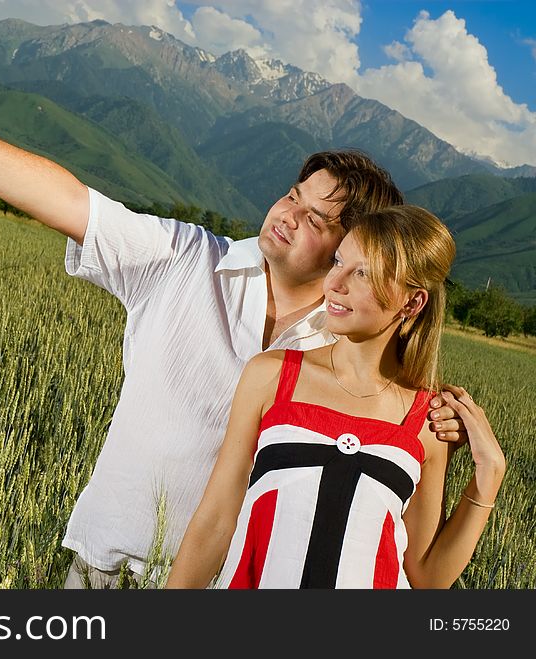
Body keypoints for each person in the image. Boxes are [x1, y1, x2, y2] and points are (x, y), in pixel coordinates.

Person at [0, 86, 473, 588]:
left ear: (352, 246)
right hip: (104, 564)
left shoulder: (353, 355)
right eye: (291, 195)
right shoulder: (183, 257)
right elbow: (65, 199)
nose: (286, 215)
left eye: (316, 218)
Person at [166, 206, 505, 588]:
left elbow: (427, 575)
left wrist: (488, 477)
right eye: (339, 261)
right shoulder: (272, 375)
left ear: (412, 303)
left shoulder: (425, 420)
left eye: (362, 273)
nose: (335, 283)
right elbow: (214, 521)